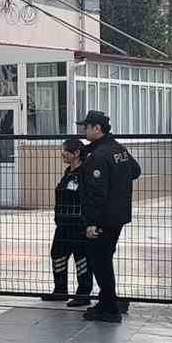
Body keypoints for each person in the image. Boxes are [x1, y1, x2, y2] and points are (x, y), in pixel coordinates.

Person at [78, 110, 141, 323]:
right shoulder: (118, 149)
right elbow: (135, 171)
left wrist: (91, 223)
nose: (84, 130)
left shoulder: (99, 156)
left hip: (103, 218)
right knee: (104, 259)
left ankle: (110, 309)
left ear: (97, 129)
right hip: (118, 214)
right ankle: (106, 302)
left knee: (100, 262)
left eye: (86, 127)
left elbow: (97, 194)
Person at [42, 137, 94, 307]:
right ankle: (60, 290)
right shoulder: (68, 172)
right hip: (63, 224)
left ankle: (83, 294)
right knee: (57, 254)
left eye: (66, 150)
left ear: (76, 153)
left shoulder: (85, 173)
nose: (62, 154)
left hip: (79, 224)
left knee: (81, 258)